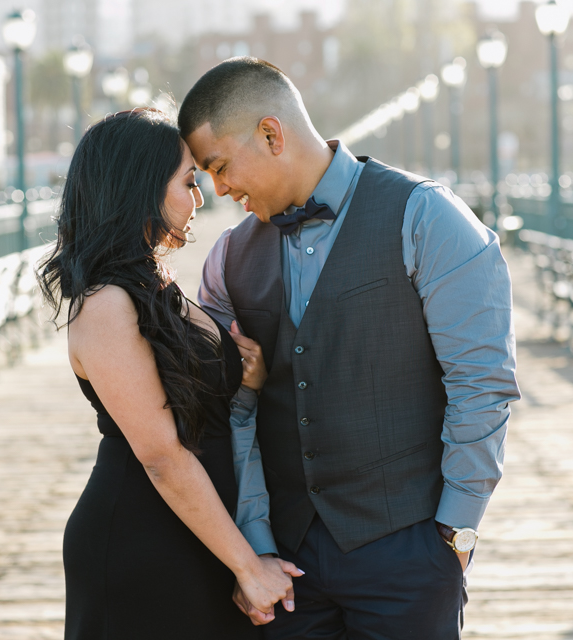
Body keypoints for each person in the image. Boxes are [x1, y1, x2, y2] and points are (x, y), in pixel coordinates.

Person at [180, 57, 521, 639]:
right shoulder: (229, 258)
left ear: (270, 134)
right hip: (286, 569)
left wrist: (454, 533)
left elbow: (482, 383)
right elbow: (231, 410)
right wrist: (255, 545)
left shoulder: (426, 217)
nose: (218, 189)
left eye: (220, 166)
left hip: (410, 553)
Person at [37, 108, 303, 640]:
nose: (199, 199)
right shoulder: (106, 302)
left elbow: (196, 410)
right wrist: (249, 567)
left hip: (198, 533)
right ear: (140, 188)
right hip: (143, 541)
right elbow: (161, 455)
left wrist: (244, 379)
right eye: (188, 183)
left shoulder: (152, 283)